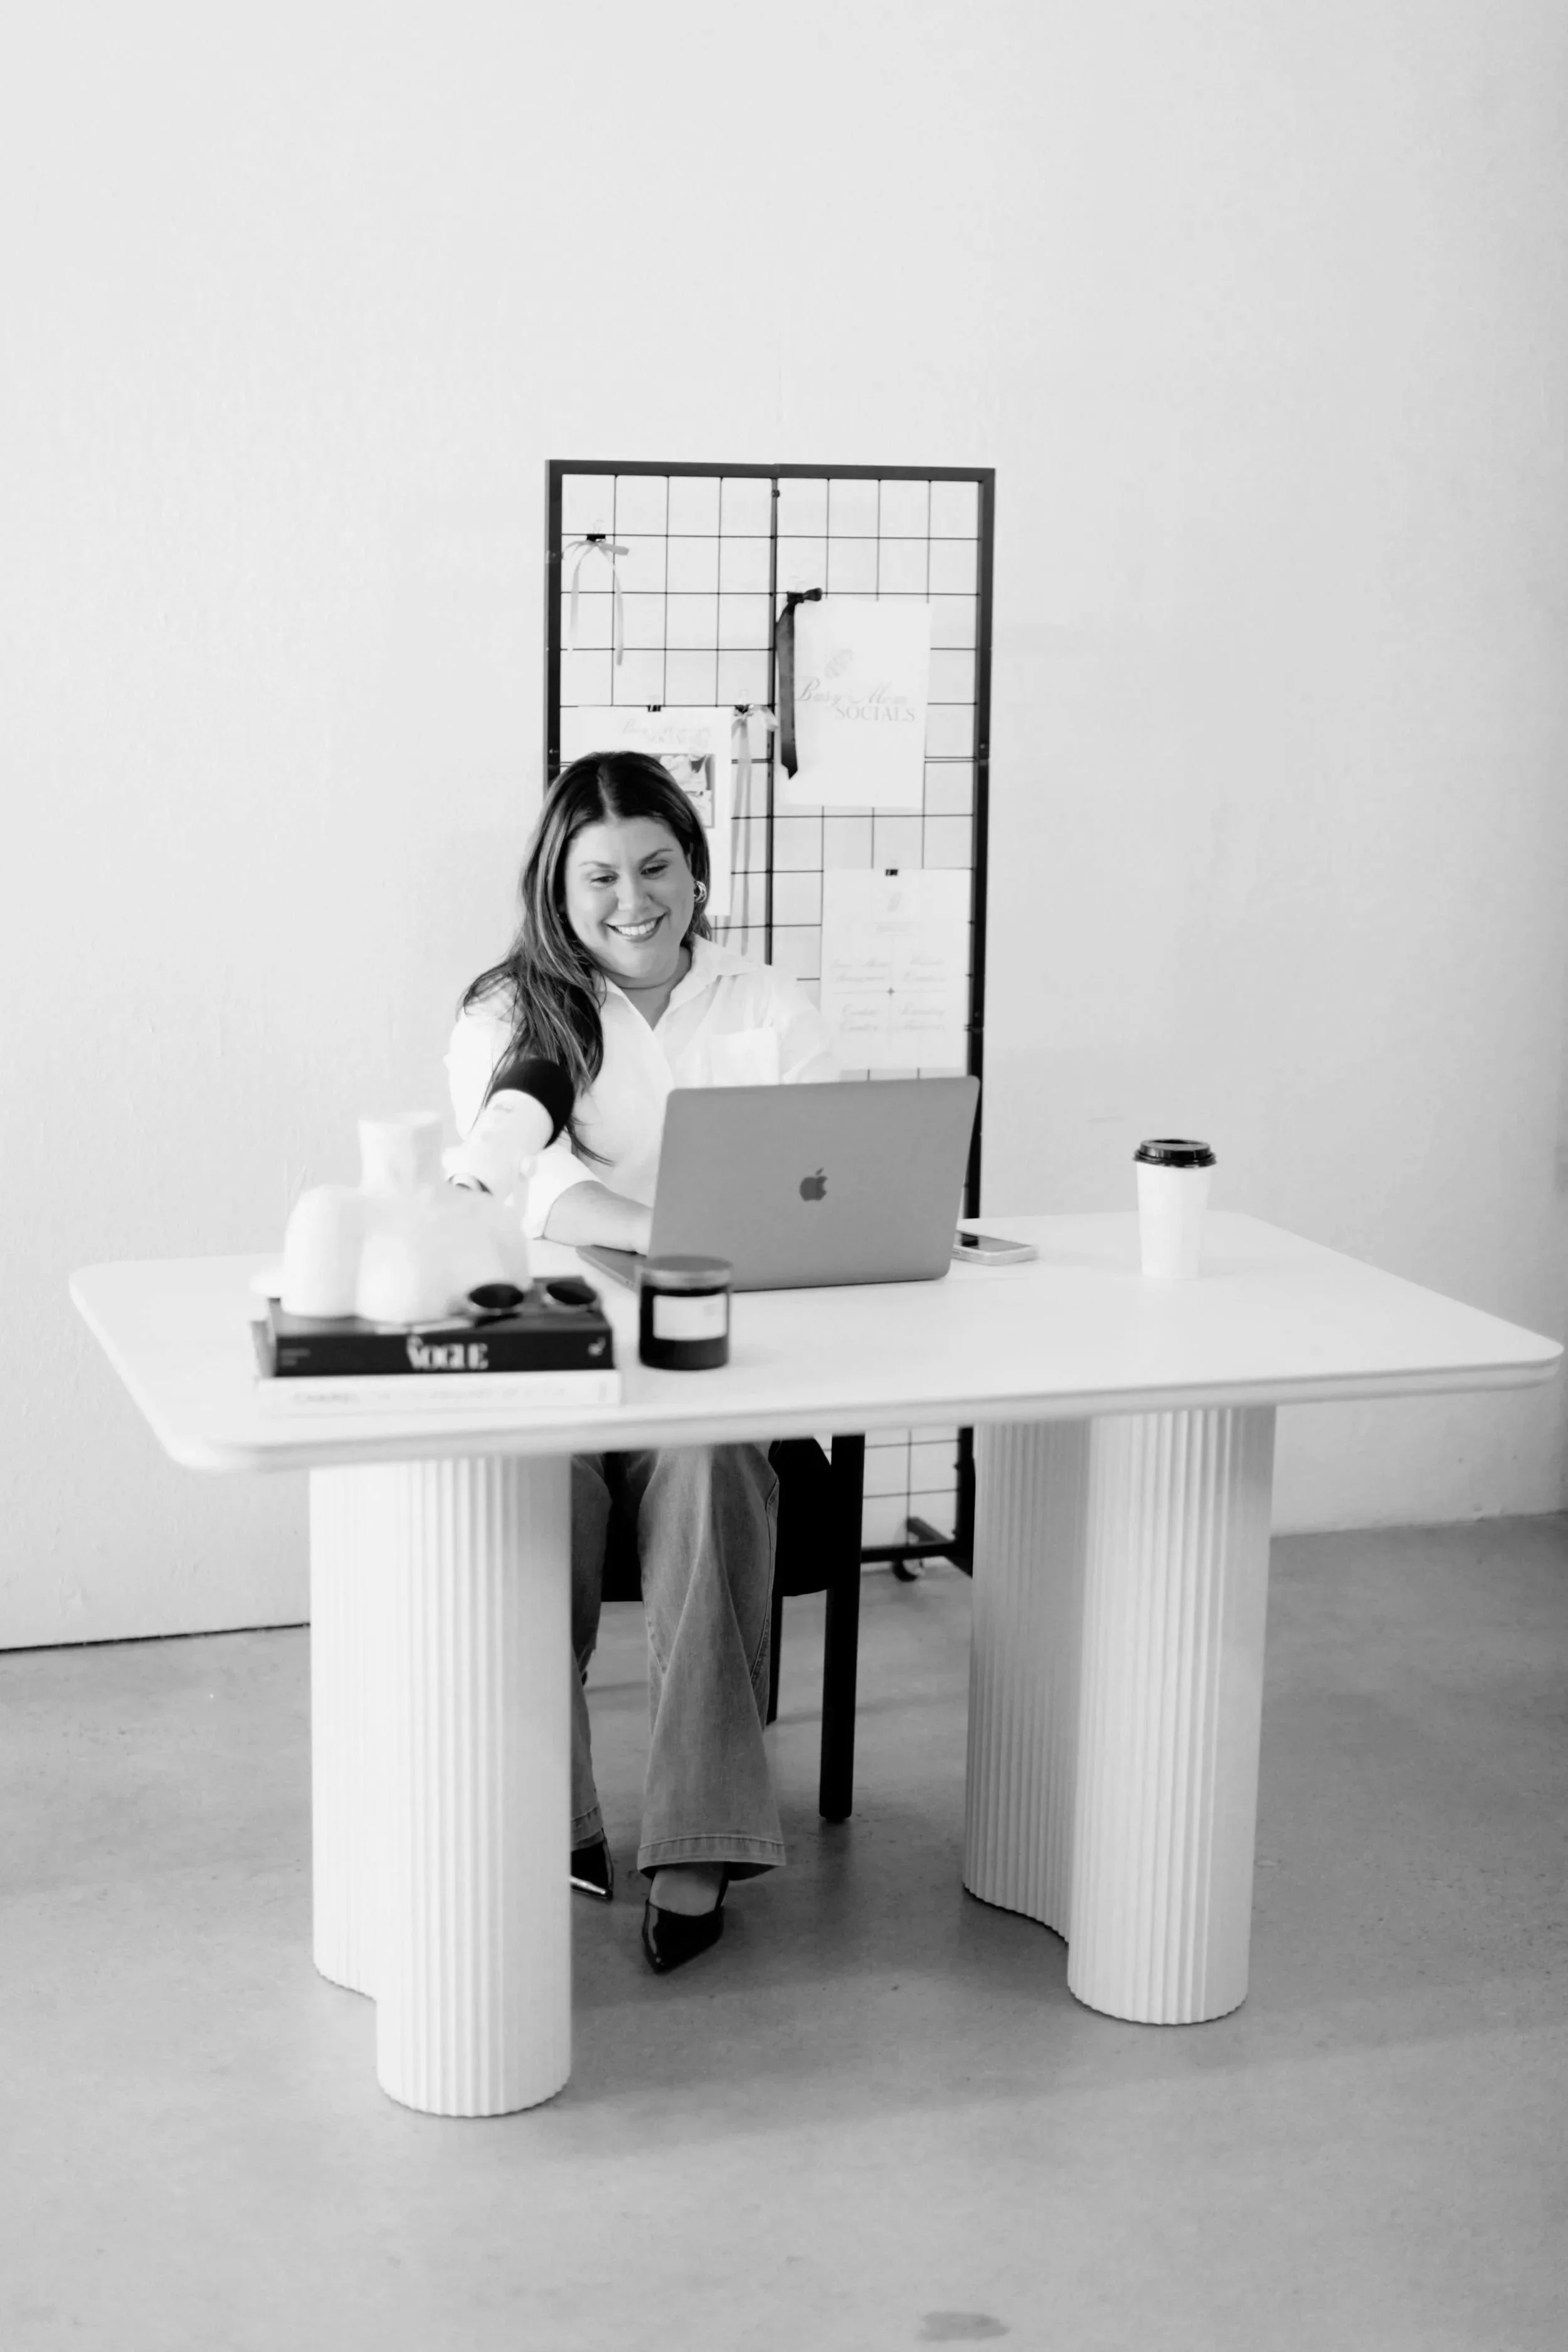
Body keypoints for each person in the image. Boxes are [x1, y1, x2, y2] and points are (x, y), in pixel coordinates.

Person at [445, 751, 838, 1974]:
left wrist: (717, 1229)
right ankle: (545, 1812)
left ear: (695, 867)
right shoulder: (511, 1015)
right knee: (524, 1495)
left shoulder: (766, 1005)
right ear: (557, 887)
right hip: (559, 1359)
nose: (632, 898)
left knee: (711, 1465)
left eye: (656, 865)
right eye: (600, 874)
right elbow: (534, 1192)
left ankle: (699, 1835)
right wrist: (680, 1227)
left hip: (720, 1368)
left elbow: (818, 1178)